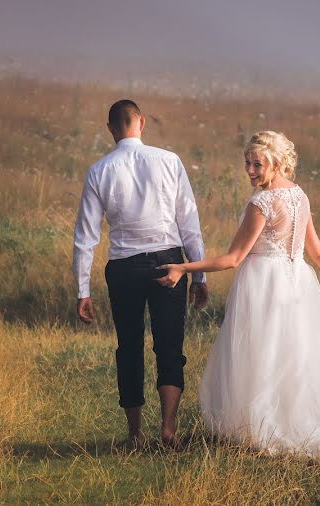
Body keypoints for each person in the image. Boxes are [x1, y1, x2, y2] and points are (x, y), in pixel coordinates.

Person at [156, 131, 320, 470]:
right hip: (297, 284)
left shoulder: (262, 203)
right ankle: (287, 418)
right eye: (247, 163)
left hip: (264, 284)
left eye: (258, 165)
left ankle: (265, 425)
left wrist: (182, 266)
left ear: (277, 163)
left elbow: (234, 258)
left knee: (264, 355)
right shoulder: (298, 195)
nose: (250, 171)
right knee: (292, 355)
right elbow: (319, 252)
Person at [73, 99, 209, 447]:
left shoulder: (98, 170)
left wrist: (82, 290)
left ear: (110, 129)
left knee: (129, 347)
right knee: (169, 345)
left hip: (123, 267)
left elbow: (86, 237)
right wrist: (200, 275)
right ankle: (167, 429)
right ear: (141, 123)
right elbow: (188, 222)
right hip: (169, 262)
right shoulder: (169, 160)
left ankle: (134, 435)